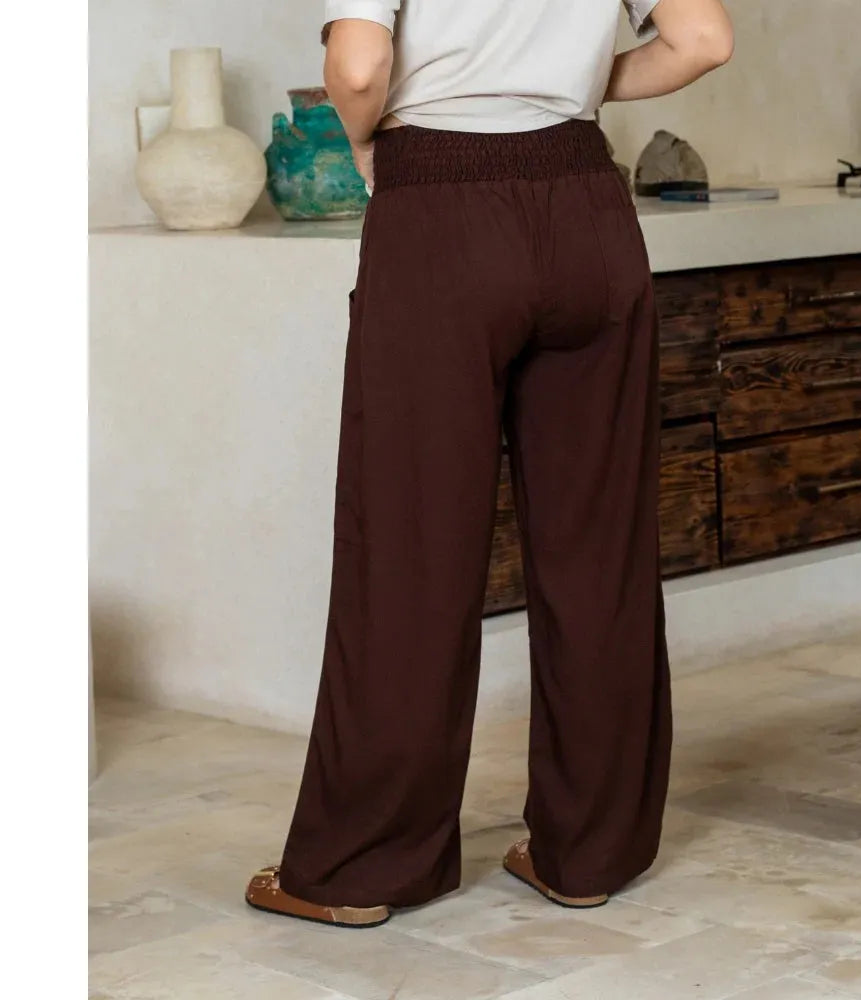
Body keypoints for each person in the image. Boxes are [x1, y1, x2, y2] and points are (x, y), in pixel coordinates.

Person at [245, 0, 734, 929]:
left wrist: (365, 141)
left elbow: (358, 67)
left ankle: (365, 866)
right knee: (599, 550)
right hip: (589, 207)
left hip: (439, 209)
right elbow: (703, 41)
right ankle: (589, 852)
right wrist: (572, 85)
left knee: (412, 548)